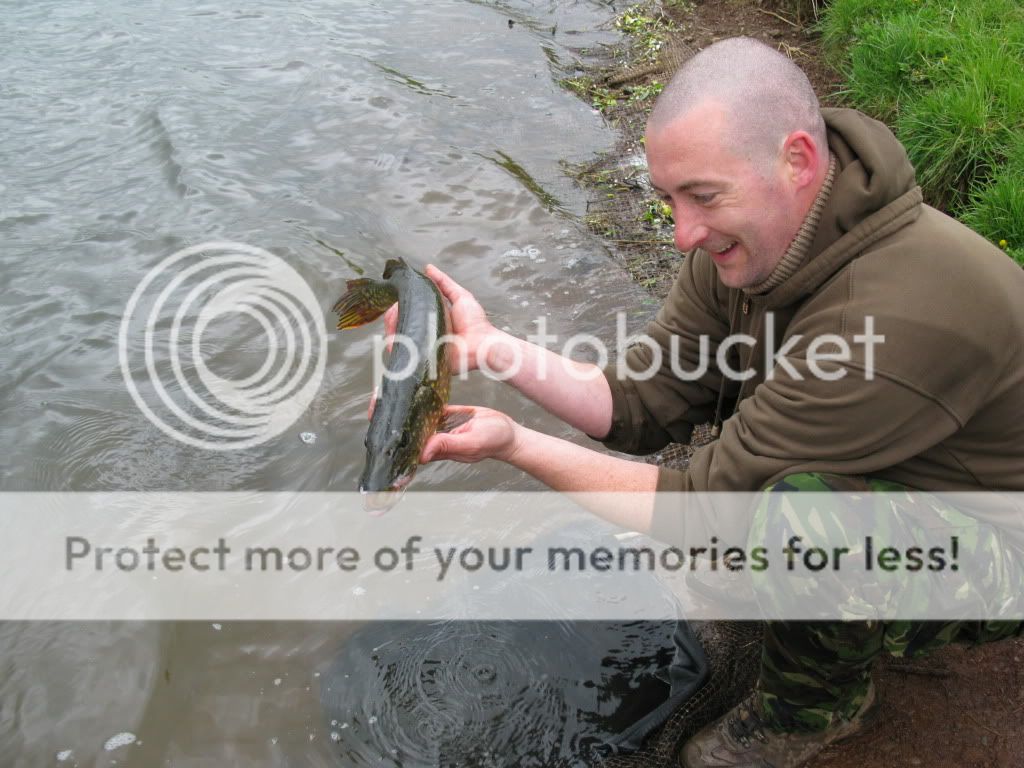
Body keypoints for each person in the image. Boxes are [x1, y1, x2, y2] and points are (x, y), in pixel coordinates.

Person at [393, 37, 1024, 768]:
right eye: (668, 198)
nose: (684, 232)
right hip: (912, 469)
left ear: (797, 161)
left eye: (703, 195)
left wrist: (514, 445)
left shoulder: (891, 318)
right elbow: (640, 402)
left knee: (805, 519)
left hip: (1001, 540)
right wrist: (494, 347)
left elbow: (702, 512)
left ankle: (811, 712)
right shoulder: (749, 245)